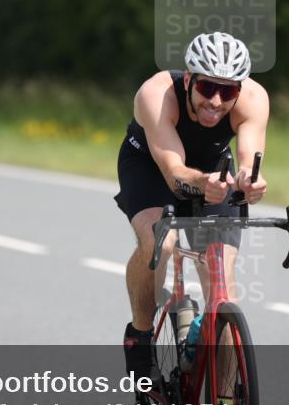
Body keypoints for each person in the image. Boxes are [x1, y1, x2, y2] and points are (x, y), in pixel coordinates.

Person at [114, 32, 269, 384]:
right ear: (189, 80)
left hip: (216, 170)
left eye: (227, 91)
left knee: (222, 289)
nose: (216, 101)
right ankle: (139, 336)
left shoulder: (254, 99)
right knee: (160, 242)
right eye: (206, 88)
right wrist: (203, 185)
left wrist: (248, 182)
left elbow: (248, 160)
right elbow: (174, 174)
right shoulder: (156, 94)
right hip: (151, 166)